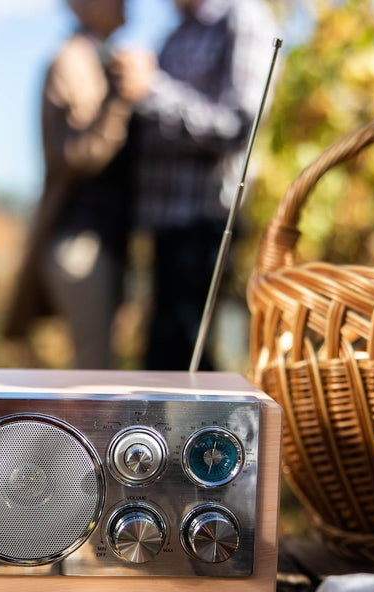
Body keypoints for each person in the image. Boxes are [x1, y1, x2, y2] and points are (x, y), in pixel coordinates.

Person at [112, 0, 278, 370]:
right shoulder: (176, 33)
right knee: (162, 359)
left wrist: (151, 89)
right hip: (165, 224)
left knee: (188, 358)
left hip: (205, 222)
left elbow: (239, 125)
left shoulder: (242, 20)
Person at [4, 0, 137, 370]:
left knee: (100, 362)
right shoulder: (70, 63)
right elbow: (72, 155)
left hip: (104, 241)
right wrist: (120, 100)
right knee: (93, 368)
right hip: (80, 241)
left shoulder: (106, 59)